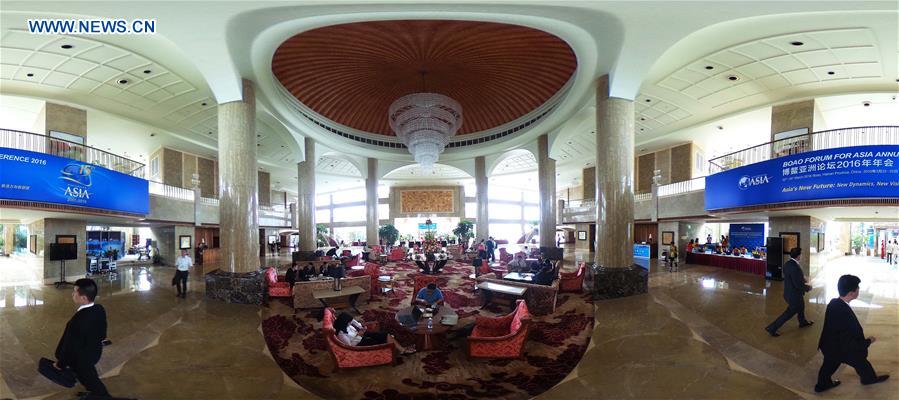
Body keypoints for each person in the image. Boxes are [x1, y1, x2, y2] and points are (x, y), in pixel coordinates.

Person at [815, 274, 890, 392]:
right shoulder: (844, 314)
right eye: (857, 288)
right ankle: (868, 379)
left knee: (830, 364)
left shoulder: (834, 303)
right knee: (859, 361)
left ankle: (822, 385)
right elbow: (849, 341)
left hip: (830, 345)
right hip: (842, 348)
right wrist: (867, 342)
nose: (859, 290)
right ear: (851, 293)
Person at [53, 279, 110, 397]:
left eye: (75, 292)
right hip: (95, 352)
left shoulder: (78, 321)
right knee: (90, 376)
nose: (72, 294)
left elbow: (69, 348)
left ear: (83, 298)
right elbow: (102, 334)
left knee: (91, 382)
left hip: (81, 361)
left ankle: (101, 396)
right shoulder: (99, 309)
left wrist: (60, 364)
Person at [766, 247, 813, 336]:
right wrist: (808, 288)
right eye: (801, 254)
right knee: (788, 313)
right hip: (793, 295)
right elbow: (797, 284)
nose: (801, 256)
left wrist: (803, 279)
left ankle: (802, 322)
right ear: (798, 256)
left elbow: (792, 277)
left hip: (790, 292)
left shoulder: (788, 264)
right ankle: (772, 328)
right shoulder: (794, 267)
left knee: (801, 306)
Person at [332, 312, 415, 354]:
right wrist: (359, 335)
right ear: (344, 322)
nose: (351, 323)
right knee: (383, 340)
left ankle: (401, 349)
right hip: (359, 344)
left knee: (385, 334)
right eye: (349, 322)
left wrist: (361, 328)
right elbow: (350, 346)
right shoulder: (341, 334)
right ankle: (403, 350)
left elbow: (354, 322)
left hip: (361, 335)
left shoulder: (345, 324)